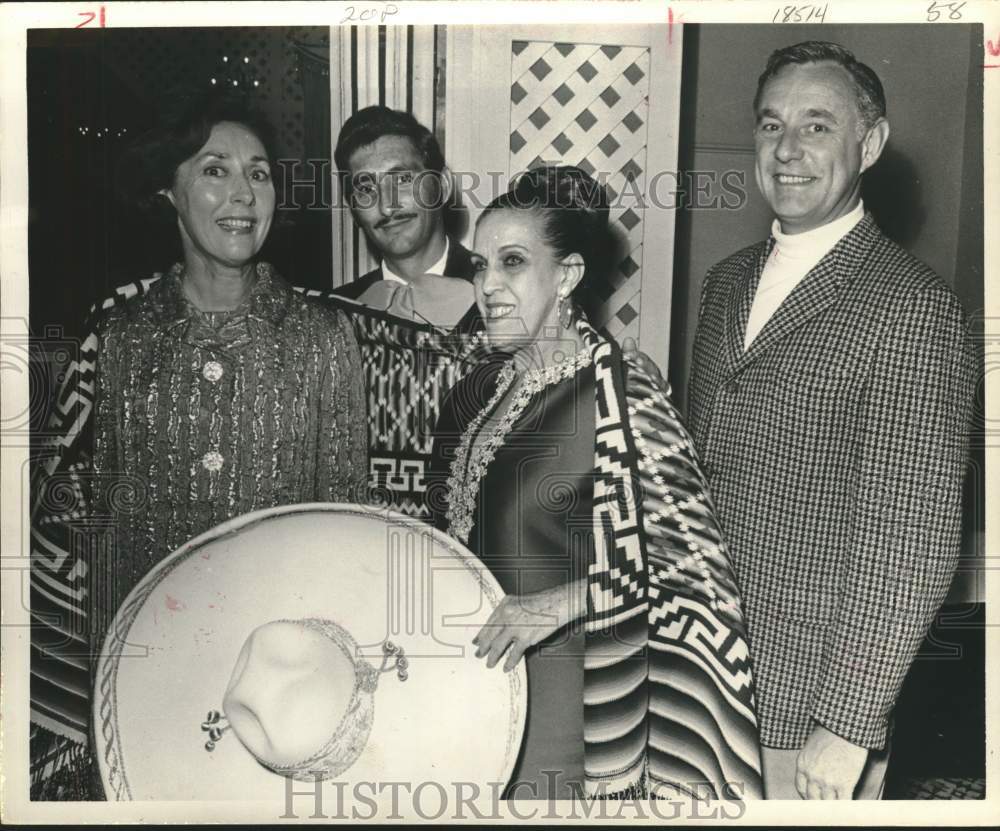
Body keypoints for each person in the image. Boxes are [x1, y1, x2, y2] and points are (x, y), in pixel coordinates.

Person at [687, 41, 976, 800]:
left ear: (869, 144)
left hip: (815, 702)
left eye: (817, 126)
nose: (787, 150)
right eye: (771, 124)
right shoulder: (725, 285)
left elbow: (911, 533)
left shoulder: (912, 308)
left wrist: (848, 720)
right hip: (704, 670)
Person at [431, 166, 763, 801]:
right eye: (479, 266)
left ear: (568, 276)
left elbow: (693, 572)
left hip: (571, 715)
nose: (488, 286)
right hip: (476, 695)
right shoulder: (480, 391)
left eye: (512, 262)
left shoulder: (621, 389)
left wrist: (554, 605)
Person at [331, 105, 477, 301]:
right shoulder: (339, 312)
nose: (387, 207)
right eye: (366, 189)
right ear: (353, 209)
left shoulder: (494, 291)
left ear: (443, 186)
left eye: (402, 180)